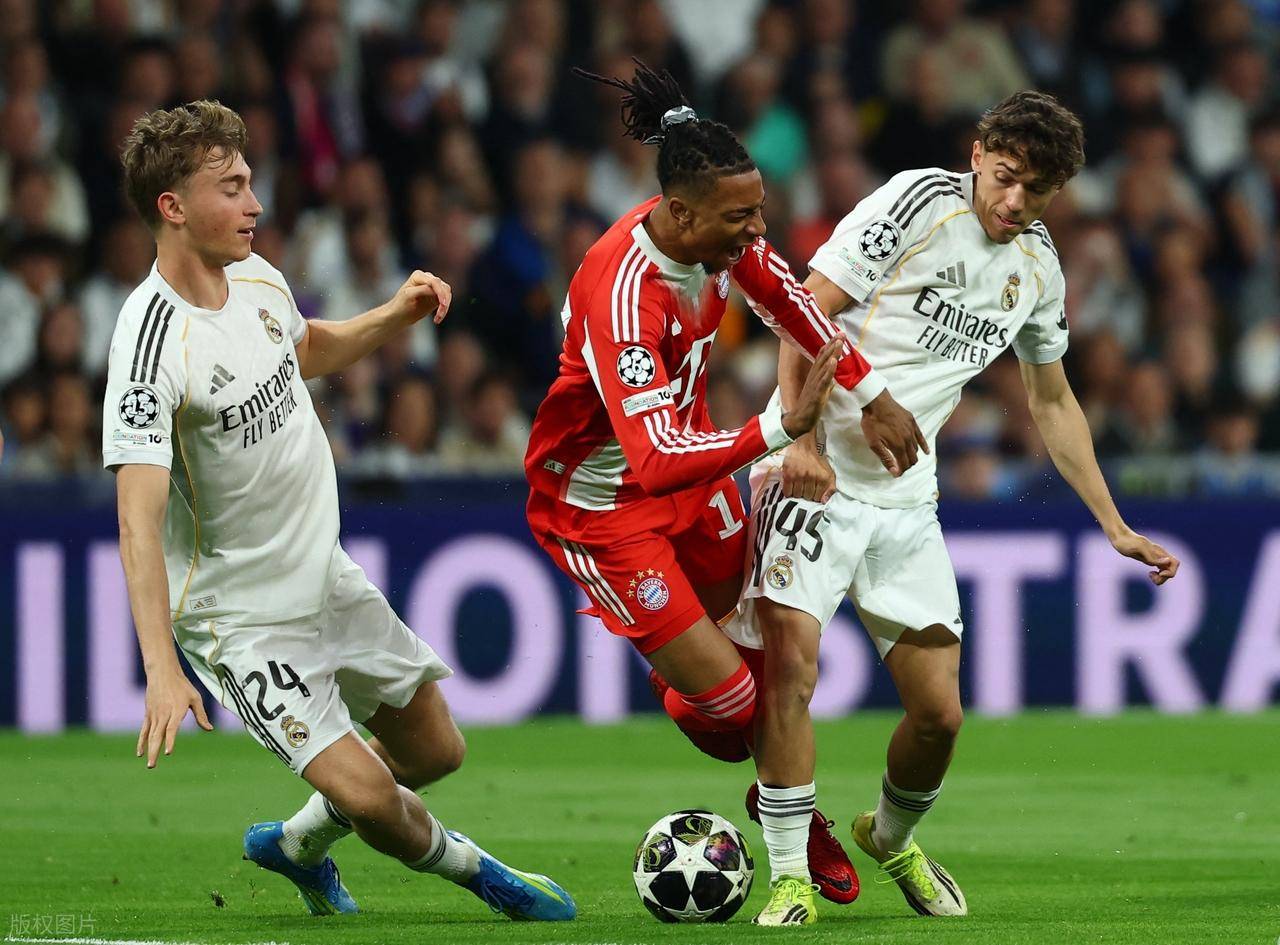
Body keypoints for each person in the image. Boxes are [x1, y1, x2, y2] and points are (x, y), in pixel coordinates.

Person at [104, 100, 575, 923]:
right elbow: (136, 523)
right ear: (172, 207)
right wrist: (160, 667)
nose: (255, 203)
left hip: (323, 574)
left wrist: (390, 316)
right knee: (372, 797)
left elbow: (302, 348)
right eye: (231, 187)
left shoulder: (257, 274)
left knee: (436, 750)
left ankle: (295, 844)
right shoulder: (150, 346)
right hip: (240, 617)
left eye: (250, 181)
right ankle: (485, 874)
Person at [724, 90, 1181, 924]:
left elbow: (1052, 401)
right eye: (1005, 176)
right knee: (791, 672)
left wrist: (1113, 523)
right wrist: (802, 441)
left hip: (905, 501)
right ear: (977, 154)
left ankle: (889, 836)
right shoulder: (915, 203)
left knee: (939, 715)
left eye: (1036, 189)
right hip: (813, 479)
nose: (1015, 200)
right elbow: (802, 310)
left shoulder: (1038, 268)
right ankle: (789, 874)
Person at [522, 62, 926, 925]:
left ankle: (782, 801)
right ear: (679, 213)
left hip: (694, 472)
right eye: (742, 216)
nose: (758, 228)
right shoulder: (624, 295)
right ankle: (784, 798)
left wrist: (872, 393)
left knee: (772, 664)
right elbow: (652, 457)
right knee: (732, 707)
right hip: (604, 509)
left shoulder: (722, 242)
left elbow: (793, 304)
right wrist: (781, 427)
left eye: (759, 209)